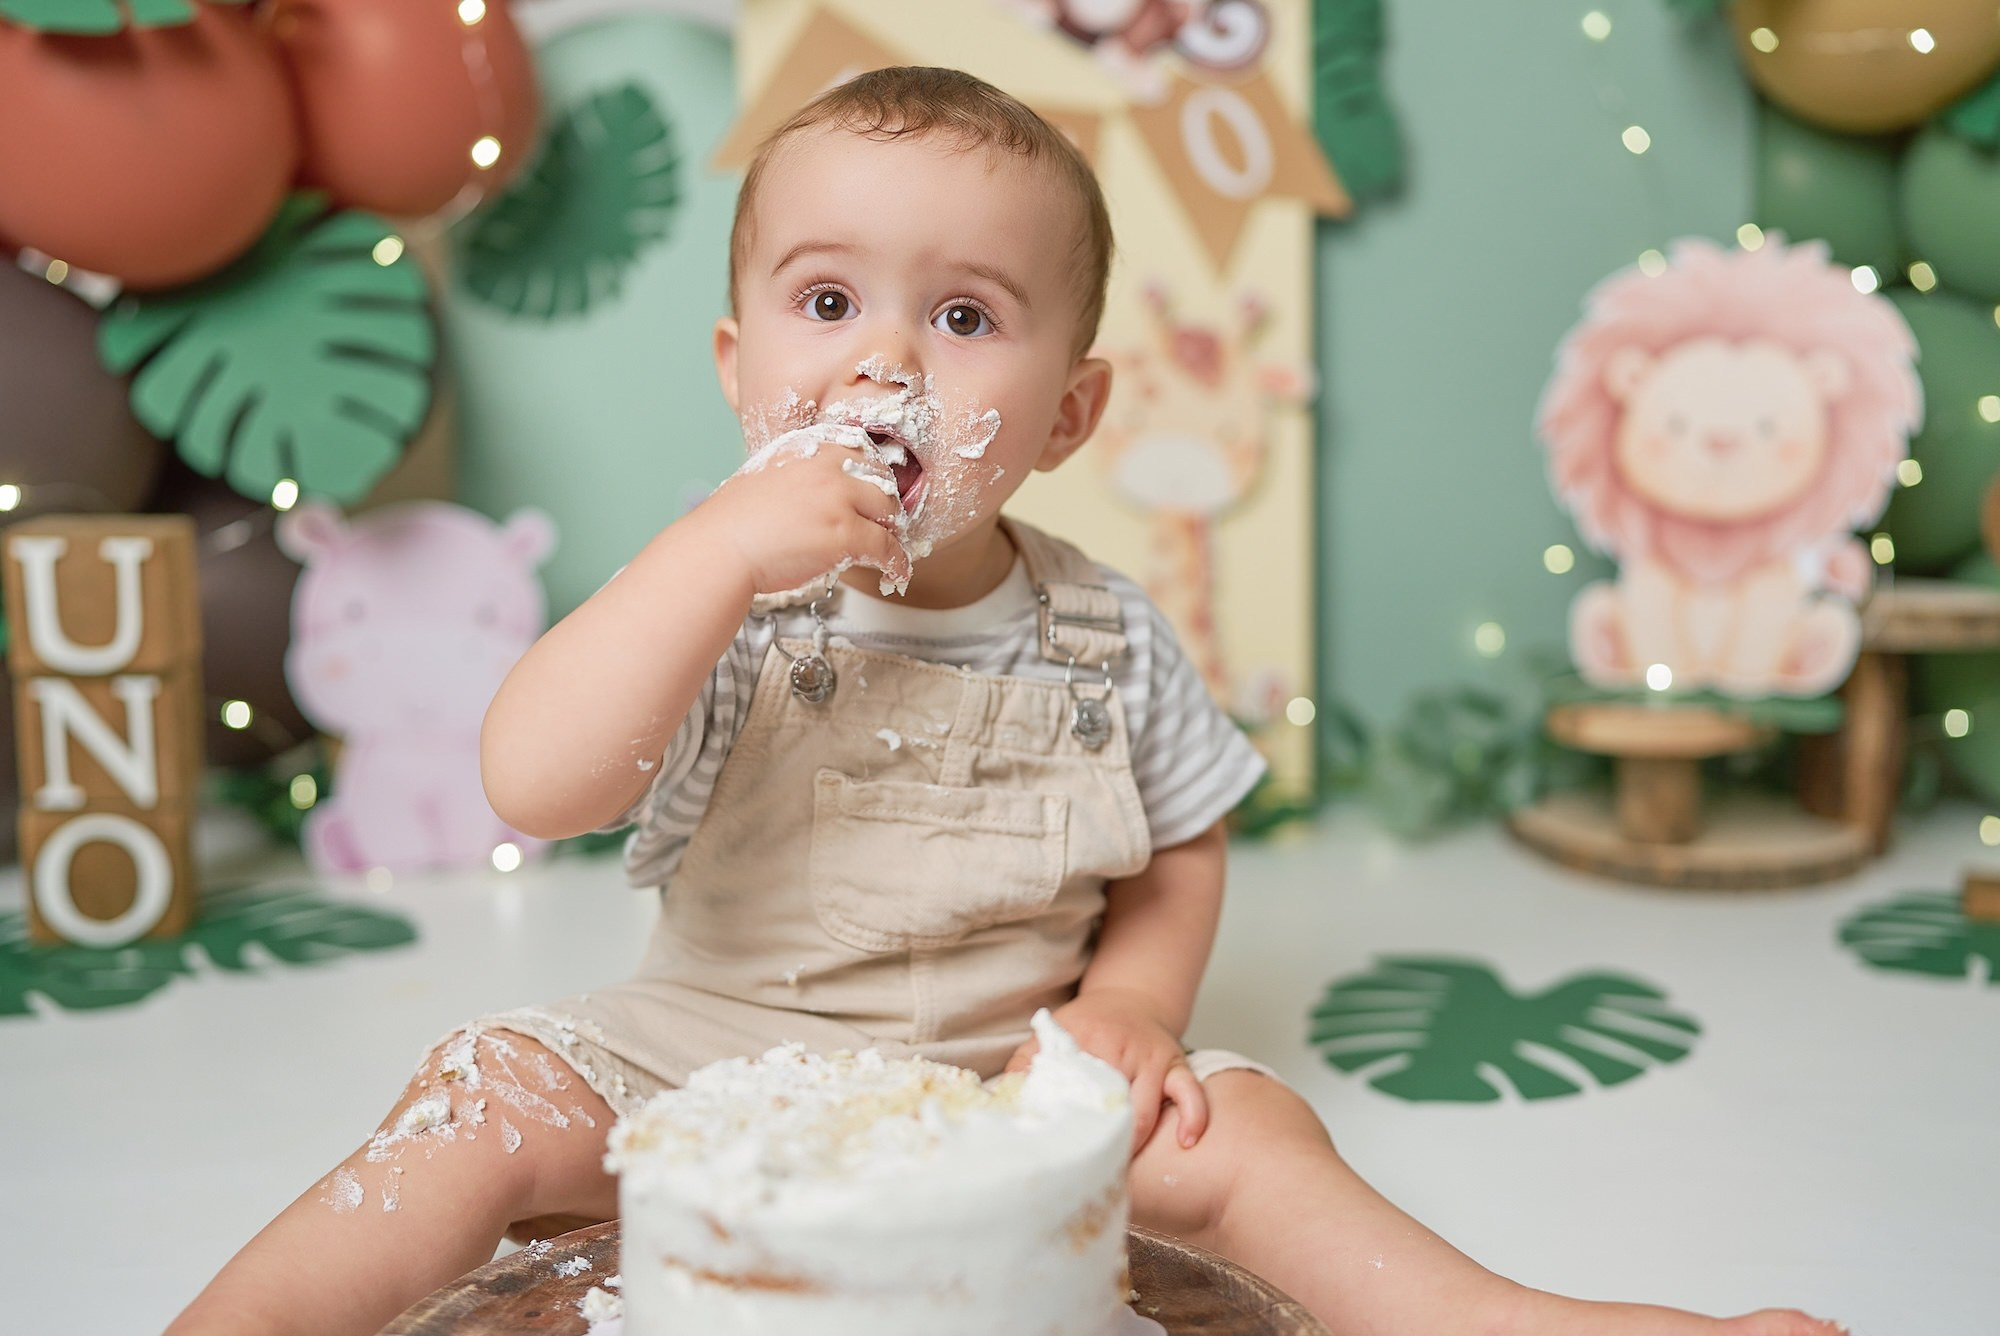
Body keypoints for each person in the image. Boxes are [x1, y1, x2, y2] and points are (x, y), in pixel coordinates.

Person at [169, 66, 1844, 1336]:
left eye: (965, 317)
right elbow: (533, 782)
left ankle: (1512, 1324)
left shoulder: (1106, 634)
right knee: (477, 1097)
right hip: (700, 1061)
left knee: (1252, 1138)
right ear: (738, 367)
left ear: (1067, 412)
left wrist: (1133, 1005)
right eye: (827, 305)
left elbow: (1187, 840)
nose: (885, 364)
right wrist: (714, 553)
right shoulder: (710, 607)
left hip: (1006, 1077)